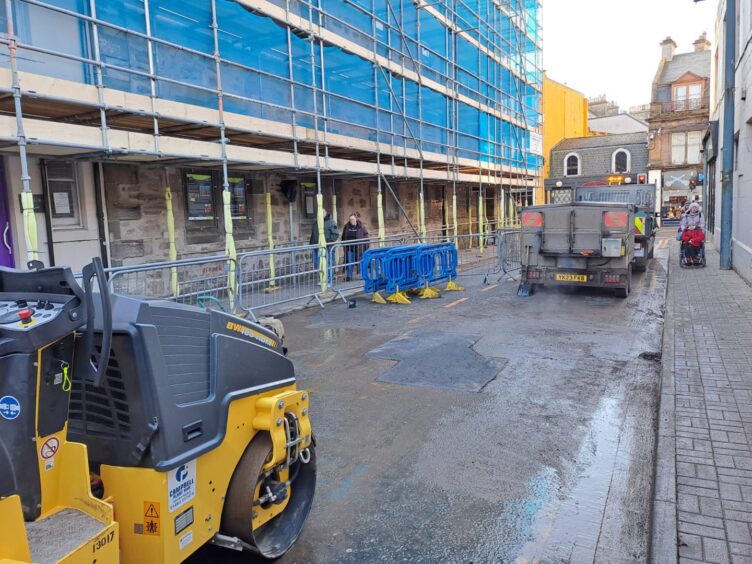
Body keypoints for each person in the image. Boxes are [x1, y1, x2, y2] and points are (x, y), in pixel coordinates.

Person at [310, 208, 338, 280]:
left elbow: (335, 234)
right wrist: (311, 244)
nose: (320, 214)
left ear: (325, 213)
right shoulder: (316, 223)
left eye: (322, 212)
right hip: (317, 248)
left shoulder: (331, 222)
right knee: (318, 264)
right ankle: (322, 278)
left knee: (328, 263)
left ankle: (328, 279)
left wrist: (328, 242)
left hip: (327, 247)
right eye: (319, 213)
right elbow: (313, 234)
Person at [341, 213, 369, 281]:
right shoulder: (347, 226)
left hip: (359, 248)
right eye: (350, 219)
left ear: (356, 219)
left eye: (353, 219)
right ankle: (349, 276)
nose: (351, 220)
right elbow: (343, 236)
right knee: (350, 262)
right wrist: (344, 244)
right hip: (350, 248)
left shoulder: (361, 226)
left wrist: (365, 246)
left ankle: (363, 276)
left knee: (361, 262)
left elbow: (366, 236)